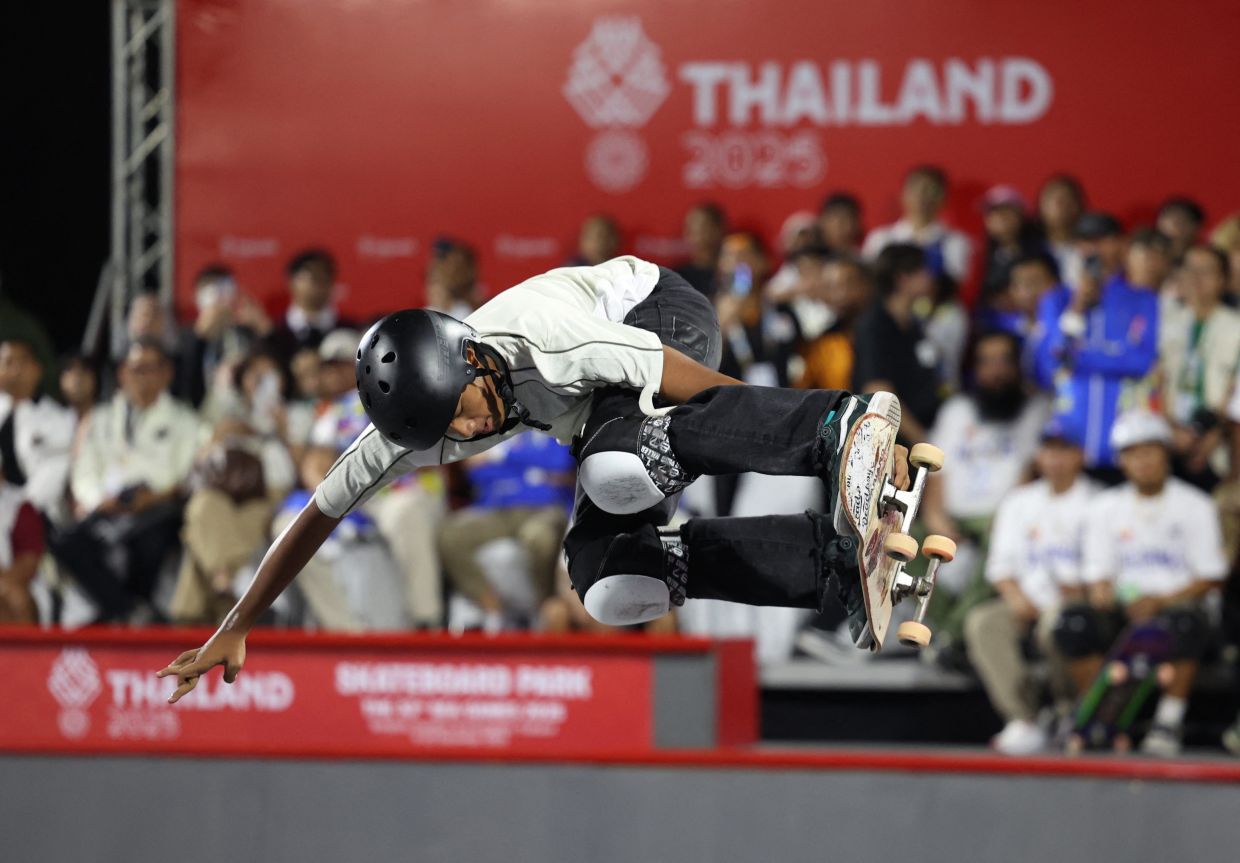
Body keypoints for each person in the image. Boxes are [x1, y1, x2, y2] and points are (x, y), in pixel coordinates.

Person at [158, 255, 912, 701]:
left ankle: (838, 424)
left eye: (467, 408)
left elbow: (700, 383)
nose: (470, 430)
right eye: (444, 431)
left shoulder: (547, 338)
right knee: (609, 583)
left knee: (619, 466)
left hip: (661, 318)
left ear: (474, 360)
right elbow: (314, 518)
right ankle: (828, 565)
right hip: (597, 411)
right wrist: (238, 624)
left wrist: (836, 437)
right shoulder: (409, 423)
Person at [1063, 410, 1226, 756]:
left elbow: (1211, 577)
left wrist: (1159, 602)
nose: (1143, 461)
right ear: (1122, 461)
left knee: (1183, 623)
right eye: (1133, 454)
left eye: (1151, 451)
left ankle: (1168, 721)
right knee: (1075, 622)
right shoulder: (1104, 507)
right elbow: (1098, 574)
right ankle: (1098, 717)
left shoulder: (1195, 505)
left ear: (1166, 454)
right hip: (1125, 607)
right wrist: (1107, 594)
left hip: (1178, 606)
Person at [963, 425, 1095, 755]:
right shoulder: (1019, 502)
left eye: (1064, 451)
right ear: (1038, 456)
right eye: (1049, 451)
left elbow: (1102, 571)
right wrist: (1015, 596)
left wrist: (1080, 594)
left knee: (1061, 624)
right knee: (983, 622)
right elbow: (1000, 566)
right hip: (1025, 600)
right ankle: (1024, 718)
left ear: (1081, 455)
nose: (1055, 460)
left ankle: (1069, 711)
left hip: (1074, 603)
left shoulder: (1098, 501)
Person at [55, 339, 206, 623]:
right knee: (67, 543)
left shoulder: (185, 419)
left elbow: (186, 473)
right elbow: (84, 470)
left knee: (149, 542)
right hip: (107, 503)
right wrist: (98, 499)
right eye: (135, 368)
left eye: (150, 368)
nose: (142, 376)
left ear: (166, 373)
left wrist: (154, 496)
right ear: (122, 373)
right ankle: (131, 611)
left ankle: (126, 614)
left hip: (158, 505)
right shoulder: (100, 418)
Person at [919, 330, 1051, 653]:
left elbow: (1031, 475)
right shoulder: (957, 410)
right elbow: (936, 472)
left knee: (1002, 538)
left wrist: (1008, 517)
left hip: (1002, 518)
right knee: (897, 540)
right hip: (955, 517)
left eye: (1005, 361)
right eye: (986, 362)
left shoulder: (1037, 409)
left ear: (1019, 366)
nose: (996, 371)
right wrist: (937, 519)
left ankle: (952, 638)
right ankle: (944, 630)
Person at [1032, 219, 1159, 479]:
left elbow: (1140, 362)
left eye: (1101, 240)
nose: (1092, 249)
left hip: (1126, 442)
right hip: (1069, 442)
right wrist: (1077, 307)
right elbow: (1049, 366)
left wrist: (1078, 359)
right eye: (1084, 242)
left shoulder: (1142, 299)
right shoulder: (1057, 300)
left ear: (1120, 245)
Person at [1159, 245, 1240, 488]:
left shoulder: (1236, 327)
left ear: (1224, 280)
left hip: (1219, 442)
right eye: (1189, 270)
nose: (1195, 278)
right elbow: (1154, 381)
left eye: (1206, 271)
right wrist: (1170, 428)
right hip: (1167, 439)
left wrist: (1214, 434)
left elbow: (1236, 390)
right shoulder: (1165, 322)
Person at [852, 243, 943, 445]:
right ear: (903, 279)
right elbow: (879, 391)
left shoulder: (914, 325)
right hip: (891, 446)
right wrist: (922, 440)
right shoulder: (875, 326)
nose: (931, 277)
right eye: (924, 270)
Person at [861, 164, 973, 290]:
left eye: (930, 190)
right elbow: (867, 279)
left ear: (944, 198)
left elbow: (955, 281)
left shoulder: (956, 241)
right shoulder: (880, 238)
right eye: (915, 189)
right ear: (903, 195)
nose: (922, 196)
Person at [0, 338, 76, 523]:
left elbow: (47, 485)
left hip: (37, 519)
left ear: (38, 369)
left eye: (23, 361)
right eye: (8, 362)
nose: (16, 369)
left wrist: (10, 513)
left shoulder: (60, 420)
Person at [264, 248, 356, 371]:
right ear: (291, 281)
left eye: (325, 277)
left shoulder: (349, 329)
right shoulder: (274, 333)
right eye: (312, 277)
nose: (319, 284)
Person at [1035, 174, 1087, 282]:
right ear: (1040, 205)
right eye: (1052, 198)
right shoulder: (1029, 249)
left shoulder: (1092, 248)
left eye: (1067, 198)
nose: (1060, 205)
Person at [674, 202, 727, 298]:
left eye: (703, 228)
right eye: (691, 229)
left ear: (719, 229)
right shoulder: (677, 277)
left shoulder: (733, 272)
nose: (696, 236)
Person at [1156, 197, 1206, 263]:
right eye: (1169, 217)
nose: (1174, 224)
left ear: (1196, 227)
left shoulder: (1202, 259)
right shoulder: (1147, 255)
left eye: (1182, 220)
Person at [817, 192, 864, 257]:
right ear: (821, 221)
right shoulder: (807, 260)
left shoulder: (864, 260)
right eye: (834, 217)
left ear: (857, 224)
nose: (839, 225)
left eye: (846, 217)